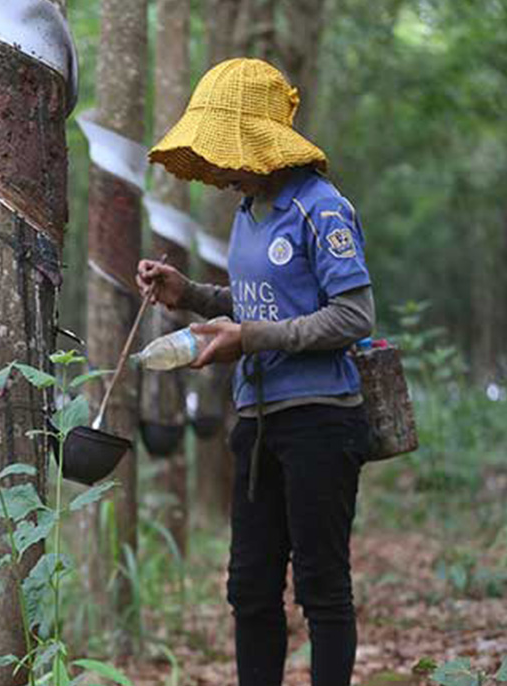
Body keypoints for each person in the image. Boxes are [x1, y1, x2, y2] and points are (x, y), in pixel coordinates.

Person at [136, 58, 375, 686]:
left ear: (260, 143)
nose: (217, 170)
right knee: (249, 586)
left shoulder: (321, 210)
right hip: (257, 421)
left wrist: (254, 338)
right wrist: (187, 292)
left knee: (321, 585)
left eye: (226, 152)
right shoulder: (248, 212)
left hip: (322, 420)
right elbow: (254, 304)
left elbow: (353, 316)